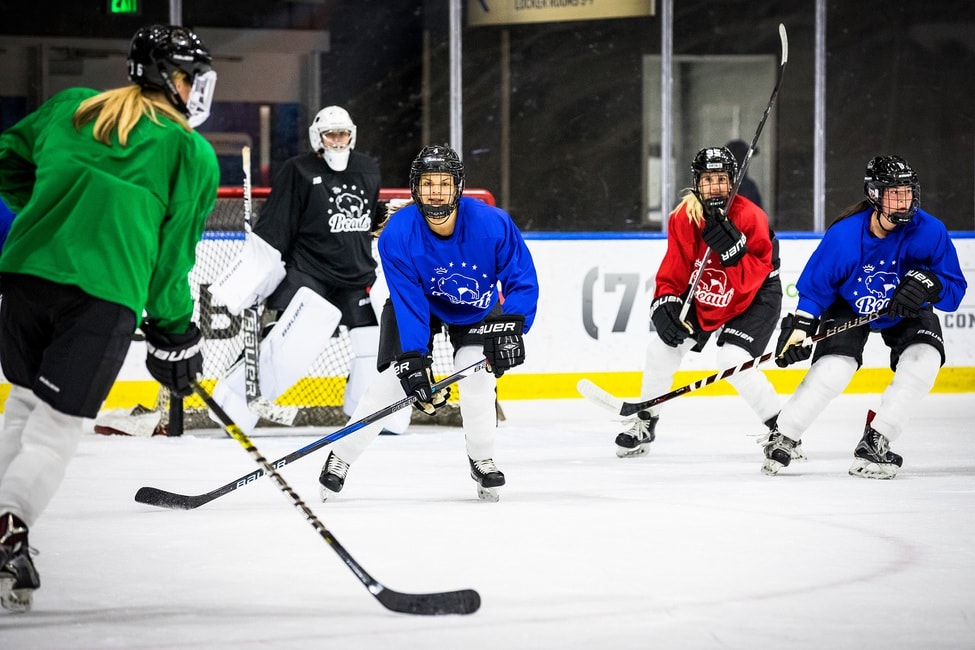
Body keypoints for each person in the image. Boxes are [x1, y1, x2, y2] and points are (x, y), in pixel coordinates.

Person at [0, 24, 219, 611]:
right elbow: (172, 259)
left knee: (24, 402)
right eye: (188, 76)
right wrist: (175, 332)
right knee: (54, 429)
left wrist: (50, 210)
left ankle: (5, 525)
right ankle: (8, 527)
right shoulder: (189, 151)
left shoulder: (74, 108)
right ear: (163, 77)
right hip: (99, 299)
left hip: (23, 284)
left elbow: (7, 159)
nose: (196, 88)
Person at [317, 143, 539, 502]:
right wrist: (415, 360)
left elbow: (522, 278)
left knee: (476, 373)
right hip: (419, 307)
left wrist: (513, 324)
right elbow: (409, 301)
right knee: (391, 382)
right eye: (427, 183)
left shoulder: (492, 224)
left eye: (444, 183)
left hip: (476, 310)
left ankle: (481, 458)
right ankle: (340, 457)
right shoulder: (397, 234)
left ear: (458, 187)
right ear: (415, 188)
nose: (436, 192)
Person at [207, 105, 410, 434]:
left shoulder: (367, 168)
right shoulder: (298, 170)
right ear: (318, 138)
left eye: (343, 134)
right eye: (331, 135)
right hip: (309, 273)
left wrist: (383, 215)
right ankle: (233, 402)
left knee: (374, 342)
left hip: (356, 277)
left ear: (352, 135)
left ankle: (370, 410)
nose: (338, 141)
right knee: (290, 346)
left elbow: (364, 216)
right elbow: (278, 222)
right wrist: (256, 271)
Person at [763, 155, 967, 479]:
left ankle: (876, 439)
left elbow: (954, 289)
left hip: (906, 309)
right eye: (894, 193)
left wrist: (931, 285)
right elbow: (816, 289)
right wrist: (801, 326)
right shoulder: (845, 236)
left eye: (907, 192)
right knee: (833, 369)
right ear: (874, 194)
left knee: (924, 360)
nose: (903, 201)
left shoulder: (931, 231)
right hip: (850, 305)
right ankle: (785, 433)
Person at [614, 146, 784, 459]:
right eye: (708, 179)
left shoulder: (750, 216)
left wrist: (734, 253)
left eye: (721, 178)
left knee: (734, 360)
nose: (715, 186)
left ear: (732, 181)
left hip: (755, 295)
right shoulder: (683, 217)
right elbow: (674, 272)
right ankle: (646, 420)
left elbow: (754, 279)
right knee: (660, 348)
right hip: (709, 291)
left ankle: (783, 430)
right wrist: (663, 305)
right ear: (697, 181)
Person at [725, 139, 764, 211]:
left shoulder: (749, 186)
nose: (747, 163)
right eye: (744, 158)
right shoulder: (721, 187)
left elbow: (758, 215)